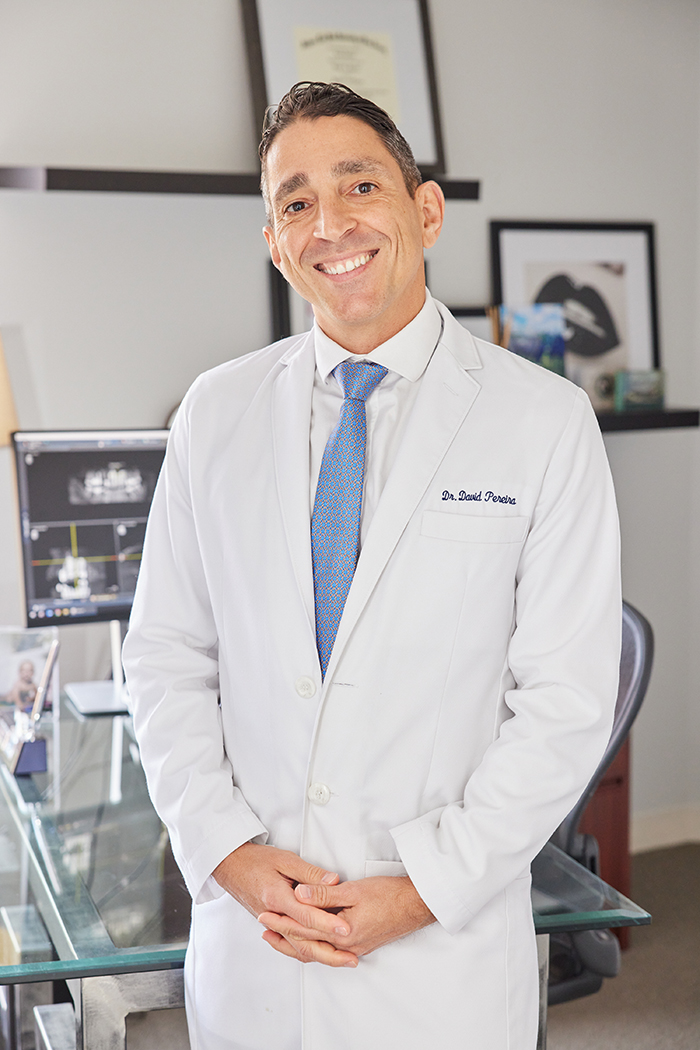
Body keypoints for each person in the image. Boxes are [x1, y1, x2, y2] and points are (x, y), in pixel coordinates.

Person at [123, 81, 621, 1050]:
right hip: (255, 950)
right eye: (295, 202)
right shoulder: (213, 415)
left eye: (358, 186)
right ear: (274, 241)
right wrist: (226, 851)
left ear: (423, 210)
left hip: (440, 968)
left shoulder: (542, 424)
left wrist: (423, 889)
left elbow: (563, 703)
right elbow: (165, 659)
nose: (329, 223)